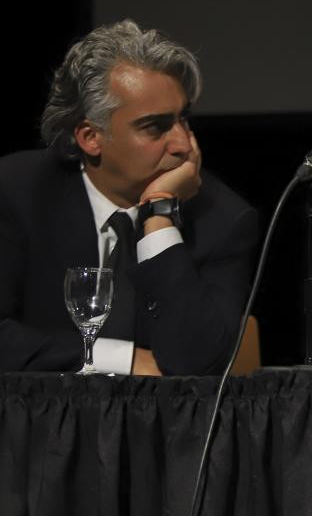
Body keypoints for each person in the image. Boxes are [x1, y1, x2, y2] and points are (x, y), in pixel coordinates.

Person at [0, 20, 259, 375]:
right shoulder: (17, 192)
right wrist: (120, 358)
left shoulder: (221, 218)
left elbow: (200, 364)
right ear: (91, 137)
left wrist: (159, 215)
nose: (184, 145)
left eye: (184, 119)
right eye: (156, 126)